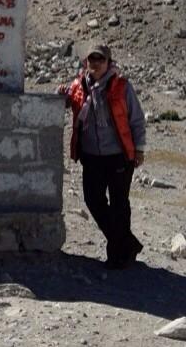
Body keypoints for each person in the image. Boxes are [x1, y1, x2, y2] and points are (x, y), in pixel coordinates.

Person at [58, 43, 146, 269]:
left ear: (109, 62)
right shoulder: (78, 86)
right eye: (92, 59)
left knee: (119, 204)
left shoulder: (122, 86)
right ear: (86, 62)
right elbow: (66, 102)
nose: (96, 63)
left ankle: (118, 256)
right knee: (93, 200)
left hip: (119, 155)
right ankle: (127, 244)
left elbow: (136, 119)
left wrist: (139, 149)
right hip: (91, 156)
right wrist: (60, 94)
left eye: (100, 59)